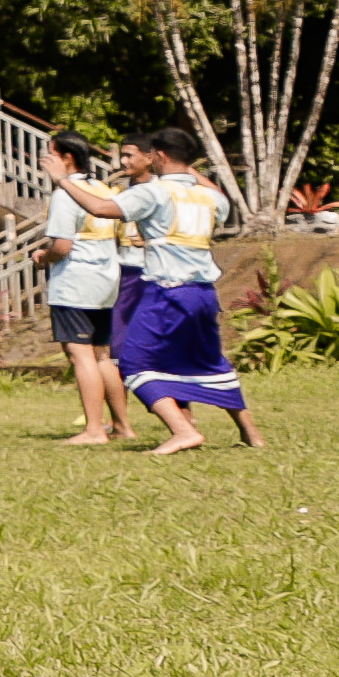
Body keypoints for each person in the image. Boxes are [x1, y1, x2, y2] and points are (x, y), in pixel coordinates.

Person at [115, 132, 266, 454]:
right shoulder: (209, 197)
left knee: (134, 362)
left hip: (167, 293)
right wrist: (189, 169)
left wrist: (64, 182)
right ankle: (252, 434)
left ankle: (183, 431)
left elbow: (101, 208)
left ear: (158, 155)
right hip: (203, 294)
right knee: (211, 362)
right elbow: (219, 196)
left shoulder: (154, 192)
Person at [30, 134, 131, 443]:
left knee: (80, 355)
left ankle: (93, 430)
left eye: (50, 154)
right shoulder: (102, 189)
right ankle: (123, 426)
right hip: (105, 280)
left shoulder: (65, 194)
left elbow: (61, 246)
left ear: (67, 159)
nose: (44, 160)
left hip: (74, 282)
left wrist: (42, 257)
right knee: (102, 356)